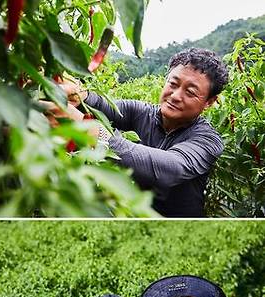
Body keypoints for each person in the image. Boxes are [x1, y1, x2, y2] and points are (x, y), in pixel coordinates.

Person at [47, 48, 229, 217]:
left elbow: (170, 169)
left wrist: (87, 128)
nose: (175, 96)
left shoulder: (208, 140)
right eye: (173, 84)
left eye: (190, 92)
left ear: (209, 102)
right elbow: (100, 105)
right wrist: (78, 93)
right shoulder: (141, 113)